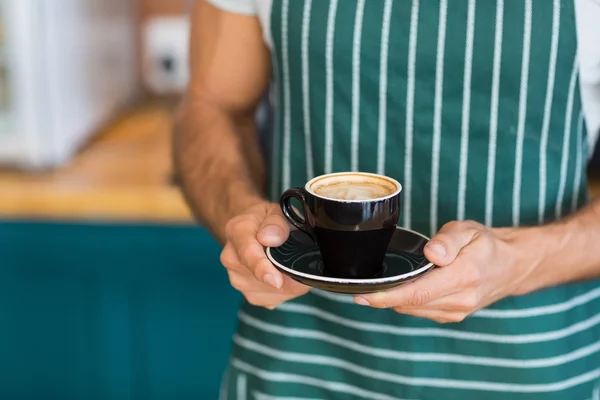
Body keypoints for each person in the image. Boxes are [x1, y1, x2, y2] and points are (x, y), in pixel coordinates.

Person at [173, 0, 600, 398]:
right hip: (297, 365)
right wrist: (240, 215)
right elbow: (212, 105)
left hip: (530, 369)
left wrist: (519, 260)